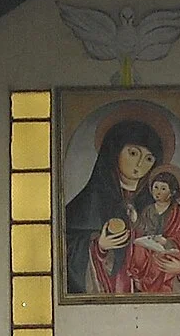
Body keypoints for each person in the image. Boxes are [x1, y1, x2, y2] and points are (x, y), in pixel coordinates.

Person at [62, 117, 166, 294]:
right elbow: (64, 248)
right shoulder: (90, 201)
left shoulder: (157, 203)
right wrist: (98, 247)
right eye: (133, 154)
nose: (139, 165)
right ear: (115, 151)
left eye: (148, 159)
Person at [123, 164, 180, 293]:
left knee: (161, 259)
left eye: (163, 188)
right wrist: (135, 219)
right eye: (155, 187)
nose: (158, 191)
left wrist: (167, 242)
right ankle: (139, 281)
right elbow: (143, 228)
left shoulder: (178, 213)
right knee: (138, 248)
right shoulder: (149, 210)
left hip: (169, 251)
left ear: (172, 192)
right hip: (150, 248)